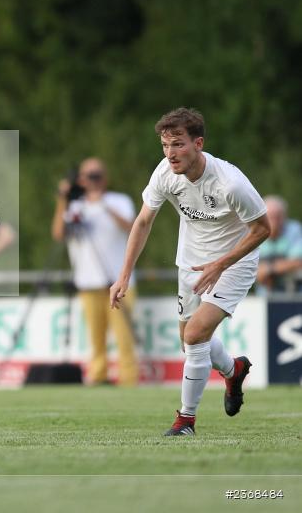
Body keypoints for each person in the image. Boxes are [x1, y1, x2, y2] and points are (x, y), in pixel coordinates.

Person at [110, 107, 269, 436]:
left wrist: (220, 264)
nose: (170, 154)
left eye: (178, 144)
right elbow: (143, 221)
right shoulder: (165, 173)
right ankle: (234, 369)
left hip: (233, 263)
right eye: (165, 145)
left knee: (196, 334)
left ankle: (186, 420)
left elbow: (262, 229)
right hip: (191, 262)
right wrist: (123, 275)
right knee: (188, 341)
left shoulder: (231, 184)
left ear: (198, 143)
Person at [51, 158, 139, 386]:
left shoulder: (118, 200)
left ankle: (129, 380)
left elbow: (133, 228)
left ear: (105, 178)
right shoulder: (75, 206)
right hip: (87, 282)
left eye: (96, 175)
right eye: (88, 176)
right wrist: (62, 199)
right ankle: (98, 377)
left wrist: (103, 205)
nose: (92, 181)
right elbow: (59, 234)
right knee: (95, 340)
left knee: (124, 338)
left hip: (119, 282)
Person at [256, 195, 302, 294]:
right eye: (271, 217)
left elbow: (297, 262)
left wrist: (269, 269)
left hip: (296, 294)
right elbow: (253, 272)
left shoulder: (294, 229)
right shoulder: (253, 234)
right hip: (264, 296)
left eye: (278, 216)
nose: (275, 222)